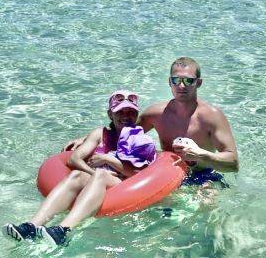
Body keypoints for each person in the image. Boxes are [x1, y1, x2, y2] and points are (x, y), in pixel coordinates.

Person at [3, 90, 156, 245]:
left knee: (101, 175)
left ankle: (63, 230)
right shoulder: (100, 134)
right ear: (110, 114)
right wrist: (93, 175)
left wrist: (106, 159)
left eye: (130, 112)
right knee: (77, 175)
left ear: (136, 115)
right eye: (120, 112)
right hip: (98, 180)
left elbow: (139, 174)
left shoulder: (141, 140)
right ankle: (31, 226)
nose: (125, 116)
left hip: (123, 185)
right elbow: (74, 159)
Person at [65, 57, 238, 187]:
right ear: (169, 82)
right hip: (167, 176)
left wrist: (200, 154)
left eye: (189, 80)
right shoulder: (157, 113)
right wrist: (87, 139)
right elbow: (122, 130)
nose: (182, 86)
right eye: (176, 80)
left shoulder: (212, 117)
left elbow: (233, 163)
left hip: (203, 176)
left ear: (198, 83)